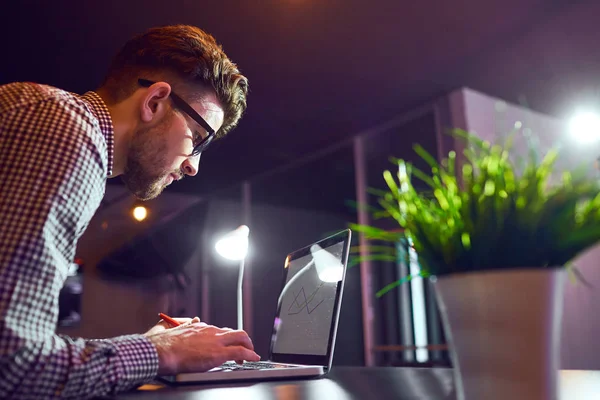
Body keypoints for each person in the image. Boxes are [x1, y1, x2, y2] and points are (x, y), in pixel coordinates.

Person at [0, 24, 260, 399]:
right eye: (199, 140)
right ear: (154, 101)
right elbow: (15, 364)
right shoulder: (68, 133)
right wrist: (160, 352)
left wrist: (150, 347)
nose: (194, 167)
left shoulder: (57, 122)